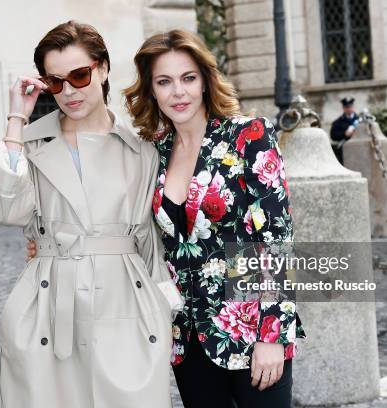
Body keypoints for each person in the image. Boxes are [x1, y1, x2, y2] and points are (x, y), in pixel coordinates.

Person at [0, 21, 176, 408]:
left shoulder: (141, 148)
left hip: (125, 304)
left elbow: (152, 239)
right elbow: (4, 209)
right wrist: (16, 120)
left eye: (80, 75)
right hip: (47, 306)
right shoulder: (32, 143)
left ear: (103, 68)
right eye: (55, 82)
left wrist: (162, 308)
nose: (68, 91)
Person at [123, 30, 306, 408]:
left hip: (251, 329)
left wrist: (271, 335)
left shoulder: (248, 136)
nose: (178, 92)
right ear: (151, 89)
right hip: (187, 337)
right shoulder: (153, 152)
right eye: (164, 81)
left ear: (205, 81)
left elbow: (275, 239)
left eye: (188, 78)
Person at [330, 96, 359, 164]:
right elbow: (333, 135)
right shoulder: (337, 122)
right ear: (343, 108)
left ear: (353, 107)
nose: (349, 109)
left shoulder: (359, 120)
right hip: (344, 151)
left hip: (358, 149)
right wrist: (344, 134)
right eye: (347, 107)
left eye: (350, 106)